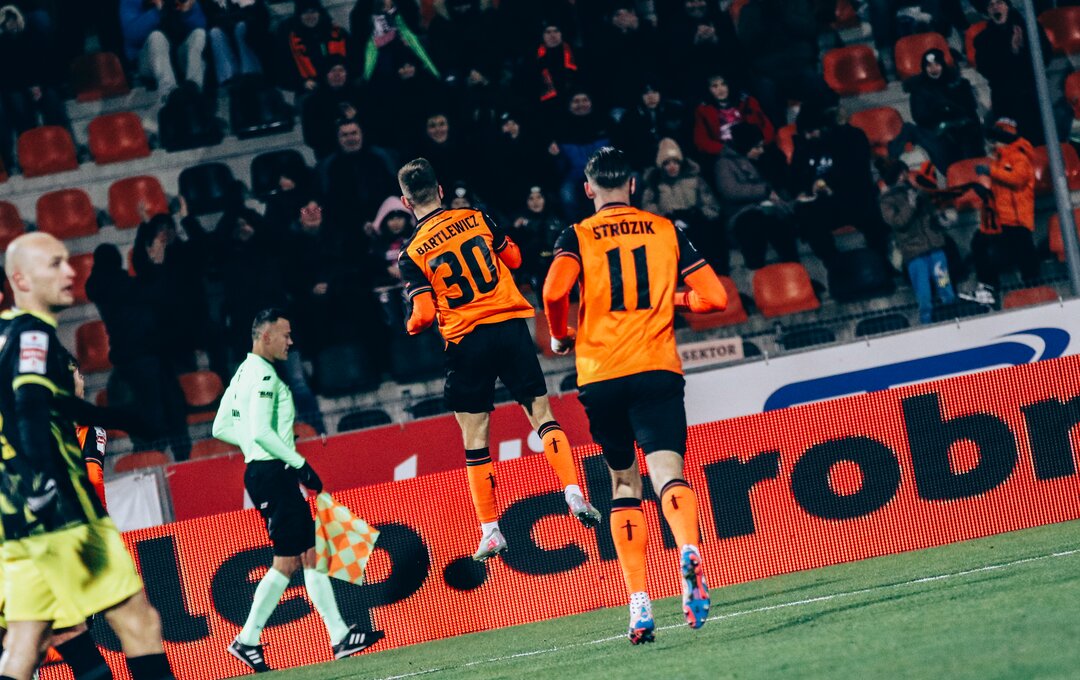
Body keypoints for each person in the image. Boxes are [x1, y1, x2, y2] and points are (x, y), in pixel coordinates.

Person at [541, 147, 728, 643]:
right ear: (632, 186)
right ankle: (688, 550)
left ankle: (639, 603)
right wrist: (673, 298)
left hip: (601, 374)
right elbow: (715, 298)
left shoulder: (577, 235)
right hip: (655, 368)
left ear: (588, 189)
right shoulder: (666, 230)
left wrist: (559, 336)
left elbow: (554, 293)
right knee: (668, 474)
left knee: (624, 483)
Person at [396, 158, 601, 562]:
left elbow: (422, 316)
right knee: (541, 414)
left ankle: (490, 530)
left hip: (466, 341)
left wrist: (411, 324)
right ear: (440, 190)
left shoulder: (412, 253)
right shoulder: (477, 218)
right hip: (509, 328)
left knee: (475, 438)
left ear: (406, 202)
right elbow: (516, 260)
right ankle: (573, 491)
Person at [0, 232, 172, 680]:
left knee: (26, 644)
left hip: (16, 520)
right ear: (20, 280)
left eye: (65, 260)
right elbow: (31, 407)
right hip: (61, 511)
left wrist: (122, 419)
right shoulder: (30, 332)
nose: (69, 271)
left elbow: (51, 404)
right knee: (138, 622)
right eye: (54, 264)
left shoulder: (6, 338)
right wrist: (44, 484)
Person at [213, 309, 381, 673]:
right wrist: (299, 464)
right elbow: (261, 432)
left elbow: (220, 426)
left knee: (307, 554)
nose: (291, 341)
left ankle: (340, 635)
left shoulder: (243, 372)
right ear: (266, 337)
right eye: (285, 335)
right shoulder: (263, 375)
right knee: (287, 561)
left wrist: (255, 448)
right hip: (274, 473)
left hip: (267, 471)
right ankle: (247, 640)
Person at [962, 118, 1037, 306]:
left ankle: (1034, 290)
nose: (993, 142)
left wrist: (991, 171)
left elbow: (1018, 179)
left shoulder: (1020, 155)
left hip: (1017, 219)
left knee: (1025, 255)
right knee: (980, 243)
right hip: (1002, 219)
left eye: (996, 137)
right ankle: (989, 288)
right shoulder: (1000, 159)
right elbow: (999, 189)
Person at [877, 158, 956, 322]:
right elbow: (898, 222)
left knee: (944, 283)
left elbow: (931, 214)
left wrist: (941, 218)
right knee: (923, 291)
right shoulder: (887, 201)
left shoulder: (919, 192)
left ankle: (952, 313)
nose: (905, 177)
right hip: (914, 253)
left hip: (934, 247)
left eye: (905, 173)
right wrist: (910, 205)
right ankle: (927, 321)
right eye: (901, 174)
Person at [715, 123, 800, 270]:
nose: (761, 150)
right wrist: (763, 190)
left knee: (780, 225)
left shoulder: (761, 159)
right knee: (753, 226)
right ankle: (757, 272)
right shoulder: (724, 164)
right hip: (741, 213)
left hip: (767, 208)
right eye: (757, 147)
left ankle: (794, 270)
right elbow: (731, 190)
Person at [641, 138, 727, 274]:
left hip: (698, 225)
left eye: (675, 162)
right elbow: (647, 212)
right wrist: (667, 219)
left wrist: (698, 214)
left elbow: (711, 205)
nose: (672, 166)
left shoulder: (695, 180)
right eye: (667, 163)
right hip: (669, 229)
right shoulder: (654, 185)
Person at [899, 48, 984, 170]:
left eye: (937, 65)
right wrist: (941, 111)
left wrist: (952, 110)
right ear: (924, 68)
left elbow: (970, 107)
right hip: (938, 131)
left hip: (963, 128)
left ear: (942, 65)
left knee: (970, 134)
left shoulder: (958, 83)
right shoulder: (919, 90)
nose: (933, 69)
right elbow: (919, 116)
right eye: (929, 66)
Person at [119, 0, 207, 95]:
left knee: (199, 34)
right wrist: (158, 11)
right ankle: (169, 94)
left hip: (178, 56)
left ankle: (194, 89)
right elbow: (132, 35)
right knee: (157, 37)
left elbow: (202, 26)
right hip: (149, 60)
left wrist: (187, 13)